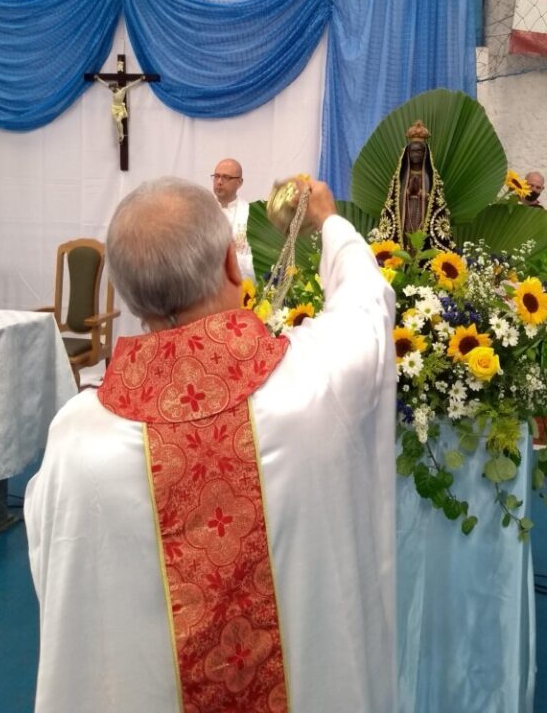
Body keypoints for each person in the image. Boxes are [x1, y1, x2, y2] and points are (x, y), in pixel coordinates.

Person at [24, 177, 396, 713]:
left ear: (129, 294)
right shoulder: (316, 380)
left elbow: (58, 562)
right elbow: (366, 302)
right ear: (230, 263)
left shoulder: (76, 437)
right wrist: (327, 221)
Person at [376, 120, 454, 250]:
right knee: (407, 236)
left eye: (419, 151)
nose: (416, 154)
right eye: (413, 151)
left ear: (425, 153)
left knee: (420, 238)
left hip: (422, 212)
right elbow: (395, 200)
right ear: (407, 153)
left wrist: (422, 194)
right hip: (407, 211)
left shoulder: (430, 176)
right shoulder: (401, 176)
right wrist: (407, 192)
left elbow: (436, 202)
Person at [212, 157, 255, 282]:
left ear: (239, 182)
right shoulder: (201, 211)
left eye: (226, 177)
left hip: (240, 284)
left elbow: (257, 258)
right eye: (216, 176)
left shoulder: (250, 215)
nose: (219, 182)